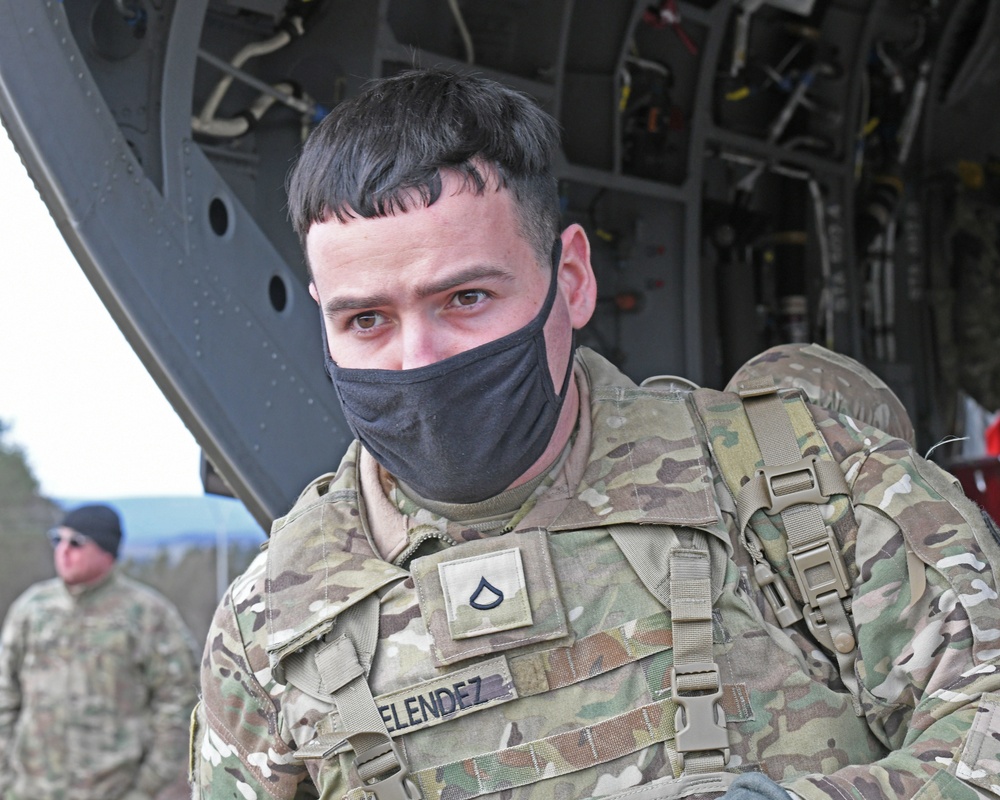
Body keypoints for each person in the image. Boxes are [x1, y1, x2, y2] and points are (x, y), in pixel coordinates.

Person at [191, 70, 1000, 800]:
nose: (417, 360)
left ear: (570, 280)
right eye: (366, 319)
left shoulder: (804, 497)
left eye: (466, 299)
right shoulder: (276, 626)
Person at [0, 503, 199, 800]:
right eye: (58, 539)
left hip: (113, 790)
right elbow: (5, 694)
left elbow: (179, 704)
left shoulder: (146, 614)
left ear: (107, 551)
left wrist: (146, 787)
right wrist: (6, 781)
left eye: (76, 542)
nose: (63, 550)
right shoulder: (32, 608)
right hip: (31, 789)